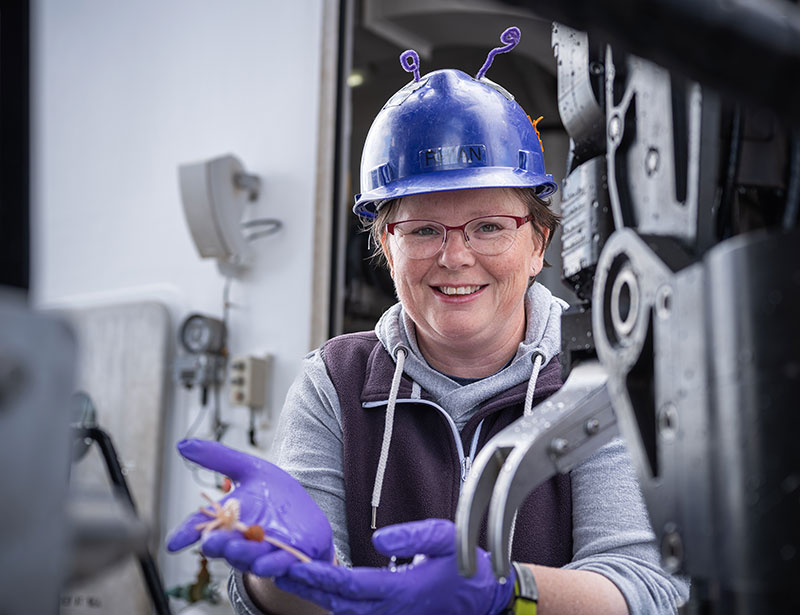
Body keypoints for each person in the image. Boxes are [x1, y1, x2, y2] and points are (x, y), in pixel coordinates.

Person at [168, 27, 689, 615]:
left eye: (489, 225)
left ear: (539, 242)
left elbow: (642, 590)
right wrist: (288, 571)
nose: (455, 256)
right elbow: (279, 603)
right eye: (422, 231)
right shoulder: (333, 382)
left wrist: (507, 593)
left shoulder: (597, 379)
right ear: (387, 248)